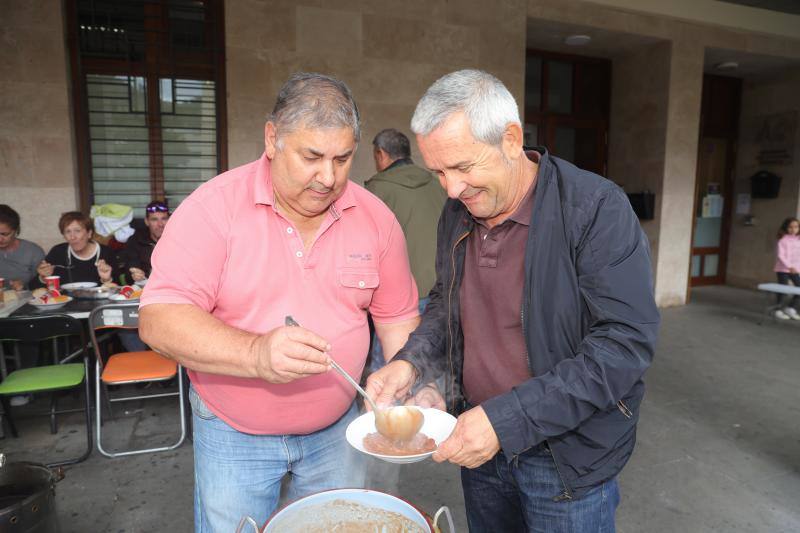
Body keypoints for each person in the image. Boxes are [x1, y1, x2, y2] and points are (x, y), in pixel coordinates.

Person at [366, 70, 660, 533]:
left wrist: (505, 420)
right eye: (439, 172)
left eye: (463, 167)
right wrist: (410, 364)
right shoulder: (456, 211)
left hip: (565, 458)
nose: (452, 189)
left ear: (510, 138)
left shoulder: (595, 209)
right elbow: (446, 304)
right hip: (477, 443)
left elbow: (623, 346)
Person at [138, 72, 422, 531]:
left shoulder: (376, 217)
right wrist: (255, 353)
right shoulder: (213, 209)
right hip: (234, 432)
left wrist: (402, 372)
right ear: (273, 139)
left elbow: (397, 317)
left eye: (343, 158)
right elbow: (158, 319)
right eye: (312, 156)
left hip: (338, 432)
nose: (328, 178)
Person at [364, 129, 447, 370]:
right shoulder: (438, 183)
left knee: (389, 367)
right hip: (439, 291)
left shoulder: (377, 190)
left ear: (380, 154)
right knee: (427, 368)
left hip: (398, 298)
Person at [33, 212, 117, 288]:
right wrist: (43, 277)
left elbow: (120, 290)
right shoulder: (58, 252)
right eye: (67, 232)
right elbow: (33, 288)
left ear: (89, 233)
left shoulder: (106, 252)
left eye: (77, 231)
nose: (72, 237)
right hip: (65, 303)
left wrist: (107, 279)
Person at [119, 200, 170, 285]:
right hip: (144, 289)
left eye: (164, 219)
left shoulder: (178, 241)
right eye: (154, 219)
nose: (160, 224)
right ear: (147, 222)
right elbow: (129, 273)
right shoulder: (135, 241)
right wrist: (135, 275)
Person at [0, 204, 45, 290]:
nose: (0, 239)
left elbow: (42, 284)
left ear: (16, 230)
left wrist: (24, 286)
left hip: (27, 301)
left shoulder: (33, 251)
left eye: (5, 234)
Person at [773, 216, 800, 320]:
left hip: (795, 270)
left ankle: (791, 308)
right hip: (783, 269)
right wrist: (790, 266)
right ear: (786, 228)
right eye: (790, 227)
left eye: (796, 227)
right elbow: (781, 256)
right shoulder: (782, 240)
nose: (793, 229)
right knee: (782, 289)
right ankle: (778, 310)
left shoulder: (799, 240)